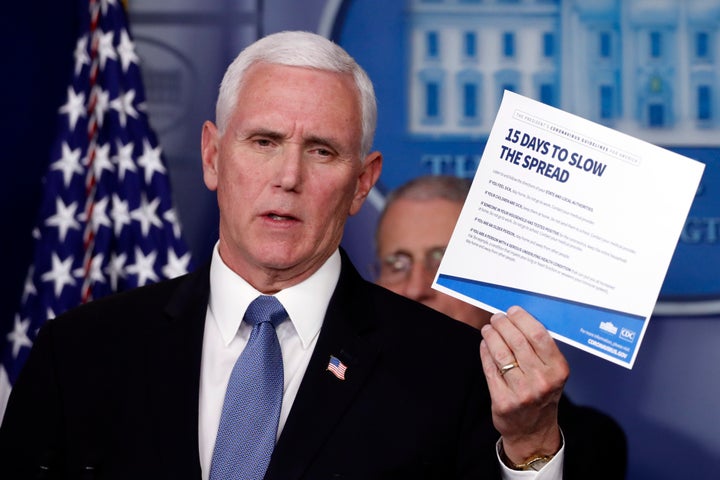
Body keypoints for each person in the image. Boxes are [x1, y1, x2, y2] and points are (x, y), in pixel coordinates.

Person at [1, 31, 569, 479]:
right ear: (213, 156)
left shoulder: (451, 370)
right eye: (264, 142)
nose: (289, 177)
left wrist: (530, 449)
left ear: (362, 183)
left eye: (322, 151)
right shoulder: (76, 354)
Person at [375, 174, 628, 478]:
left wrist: (530, 443)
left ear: (495, 282)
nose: (416, 288)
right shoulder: (334, 398)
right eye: (397, 264)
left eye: (442, 261)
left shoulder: (583, 441)